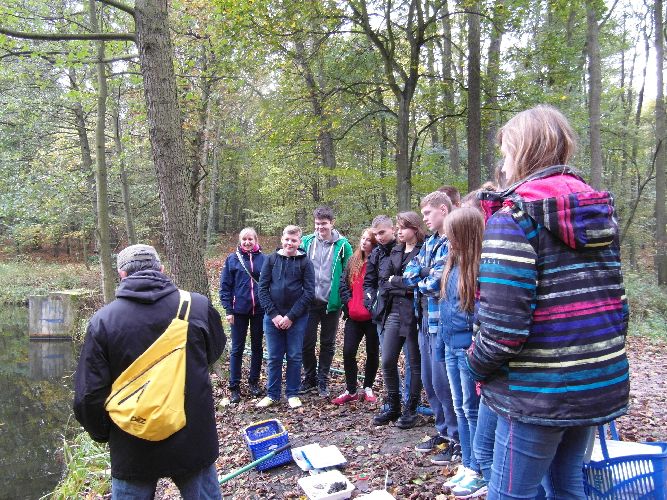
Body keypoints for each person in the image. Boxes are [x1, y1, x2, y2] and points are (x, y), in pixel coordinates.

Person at [466, 105, 630, 499]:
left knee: (509, 494)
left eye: (506, 153)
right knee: (566, 488)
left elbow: (503, 331)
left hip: (537, 391)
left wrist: (476, 365)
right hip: (595, 379)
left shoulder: (514, 218)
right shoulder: (596, 211)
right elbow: (619, 306)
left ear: (522, 152)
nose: (503, 166)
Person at [73, 244, 226, 500]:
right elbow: (214, 351)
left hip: (132, 439)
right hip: (192, 433)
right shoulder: (196, 306)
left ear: (122, 274)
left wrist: (104, 433)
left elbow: (88, 395)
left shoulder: (104, 321)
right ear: (161, 269)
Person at [403, 191, 461, 455]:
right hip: (424, 319)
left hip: (442, 320)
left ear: (443, 210)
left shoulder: (452, 242)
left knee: (443, 381)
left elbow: (436, 283)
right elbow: (409, 271)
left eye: (427, 213)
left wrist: (424, 275)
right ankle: (442, 431)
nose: (424, 218)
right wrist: (423, 273)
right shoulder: (430, 243)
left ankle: (457, 438)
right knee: (429, 380)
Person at [438, 207, 486, 496]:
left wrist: (471, 342)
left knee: (472, 409)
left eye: (451, 233)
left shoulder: (478, 266)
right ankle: (468, 464)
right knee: (460, 408)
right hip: (449, 344)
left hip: (468, 348)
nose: (447, 237)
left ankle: (480, 467)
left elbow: (479, 313)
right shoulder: (452, 263)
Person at [373, 212, 424, 427]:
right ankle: (393, 405)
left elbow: (421, 282)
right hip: (393, 311)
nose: (400, 231)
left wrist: (399, 283)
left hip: (414, 313)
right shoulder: (395, 250)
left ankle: (410, 409)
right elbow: (384, 281)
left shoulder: (425, 249)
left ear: (414, 228)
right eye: (398, 227)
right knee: (387, 360)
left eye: (403, 227)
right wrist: (402, 283)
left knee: (414, 363)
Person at [258, 225, 315, 409]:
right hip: (272, 317)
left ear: (299, 242)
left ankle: (292, 393)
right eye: (287, 239)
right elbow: (262, 288)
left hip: (297, 318)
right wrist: (274, 315)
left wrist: (291, 316)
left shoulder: (305, 262)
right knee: (274, 357)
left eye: (294, 240)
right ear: (282, 239)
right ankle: (272, 394)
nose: (290, 243)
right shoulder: (271, 259)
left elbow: (309, 292)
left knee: (294, 355)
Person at [299, 206, 353, 397]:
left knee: (327, 343)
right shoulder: (306, 242)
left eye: (324, 223)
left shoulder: (343, 246)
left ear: (332, 223)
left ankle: (323, 379)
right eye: (317, 223)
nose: (320, 227)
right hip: (309, 302)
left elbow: (349, 273)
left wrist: (346, 300)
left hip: (332, 303)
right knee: (306, 342)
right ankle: (310, 377)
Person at [363, 215, 413, 405]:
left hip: (406, 310)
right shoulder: (376, 253)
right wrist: (372, 303)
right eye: (376, 234)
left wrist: (393, 286)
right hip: (383, 312)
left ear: (392, 229)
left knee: (410, 360)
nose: (379, 237)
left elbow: (404, 282)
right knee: (388, 359)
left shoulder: (405, 250)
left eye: (382, 232)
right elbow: (370, 282)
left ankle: (410, 400)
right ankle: (395, 398)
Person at [332, 228, 380, 405]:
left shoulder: (378, 261)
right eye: (363, 238)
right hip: (353, 316)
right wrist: (349, 304)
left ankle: (368, 387)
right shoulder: (353, 260)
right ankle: (351, 389)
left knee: (372, 352)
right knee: (348, 352)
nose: (364, 242)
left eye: (369, 239)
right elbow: (343, 286)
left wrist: (374, 307)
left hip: (372, 318)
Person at [219, 227, 266, 403]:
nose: (247, 242)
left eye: (250, 239)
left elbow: (268, 285)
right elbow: (225, 287)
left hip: (259, 311)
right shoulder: (232, 260)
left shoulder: (265, 259)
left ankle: (254, 382)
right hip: (238, 311)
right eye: (244, 239)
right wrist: (228, 310)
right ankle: (234, 387)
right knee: (237, 348)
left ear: (256, 240)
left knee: (257, 348)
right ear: (240, 241)